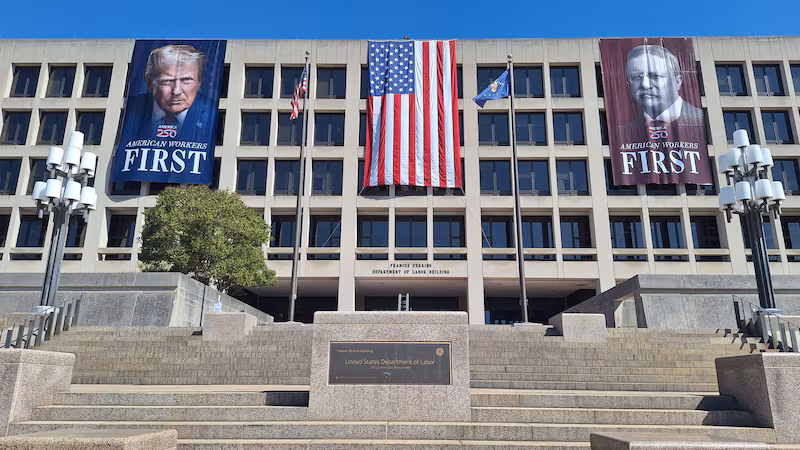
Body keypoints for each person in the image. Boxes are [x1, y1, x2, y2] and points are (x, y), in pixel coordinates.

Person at [126, 44, 216, 141]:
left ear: (199, 82)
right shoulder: (129, 110)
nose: (176, 91)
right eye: (167, 81)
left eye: (186, 80)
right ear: (149, 83)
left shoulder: (213, 112)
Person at [625, 44, 704, 128]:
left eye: (655, 76)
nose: (645, 85)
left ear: (677, 82)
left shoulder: (703, 120)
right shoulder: (625, 132)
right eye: (636, 77)